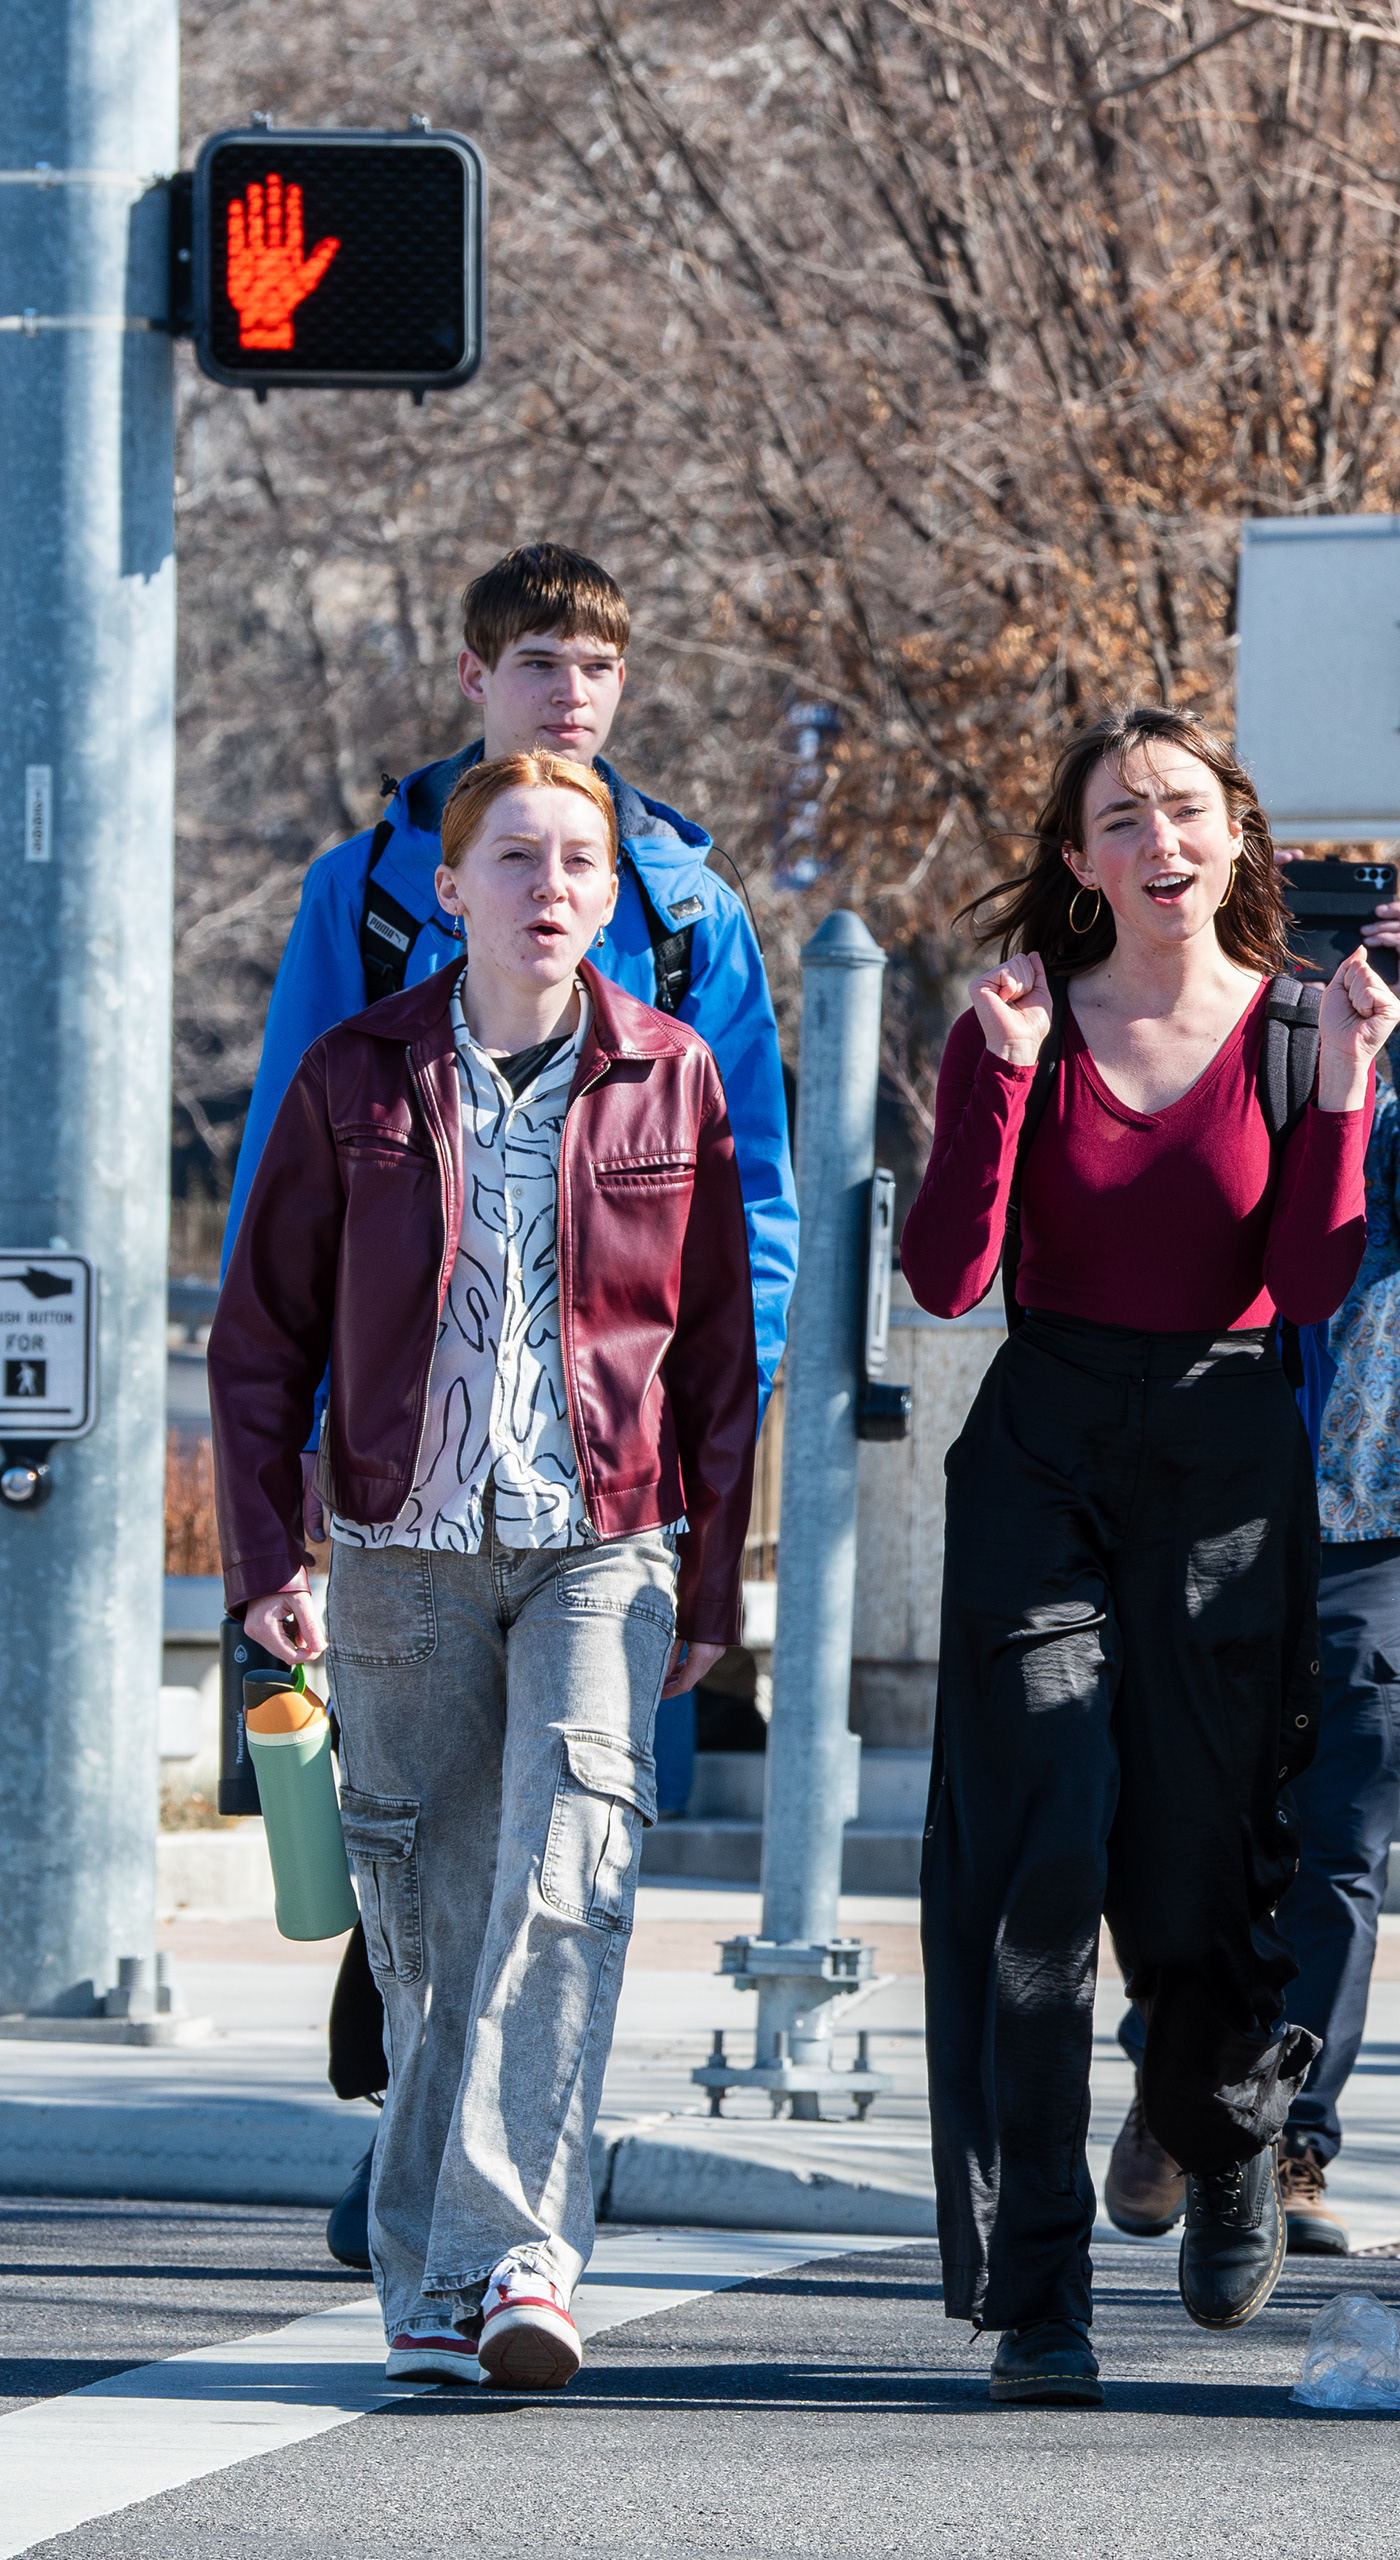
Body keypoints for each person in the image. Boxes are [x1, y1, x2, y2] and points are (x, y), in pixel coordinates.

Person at [219, 544, 795, 2274]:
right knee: (429, 1864)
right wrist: (310, 1468)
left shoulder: (679, 902)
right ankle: (437, 2150)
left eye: (598, 670)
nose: (572, 695)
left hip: (602, 1479)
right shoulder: (382, 886)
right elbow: (301, 1170)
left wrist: (710, 1413)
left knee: (568, 1853)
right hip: (412, 1477)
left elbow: (742, 1191)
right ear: (474, 679)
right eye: (539, 663)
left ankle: (496, 2218)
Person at [896, 706, 1397, 2408]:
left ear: (1237, 839)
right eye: (1123, 819)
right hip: (1043, 1450)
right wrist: (1004, 1080)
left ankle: (1229, 2130)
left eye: (1187, 811)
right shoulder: (1018, 1022)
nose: (1160, 842)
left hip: (1226, 1454)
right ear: (1076, 860)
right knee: (1037, 1863)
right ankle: (1041, 2294)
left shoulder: (1297, 1026)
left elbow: (1313, 1285)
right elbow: (948, 1281)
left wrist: (1347, 1084)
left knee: (1198, 1864)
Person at [1100, 892, 1400, 2258]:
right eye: (1299, 953)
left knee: (1339, 1856)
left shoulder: (1393, 1072)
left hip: (1365, 1522)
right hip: (1197, 1521)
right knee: (1184, 1831)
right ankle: (1173, 2076)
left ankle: (1288, 2140)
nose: (1328, 977)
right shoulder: (1197, 1075)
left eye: (1351, 950)